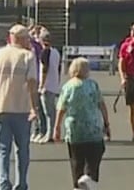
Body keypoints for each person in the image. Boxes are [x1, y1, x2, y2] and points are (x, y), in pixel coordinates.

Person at [0, 24, 39, 190]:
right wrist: (34, 107)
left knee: (2, 148)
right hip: (22, 109)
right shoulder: (27, 56)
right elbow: (31, 82)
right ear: (23, 39)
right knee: (22, 149)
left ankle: (4, 183)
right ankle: (21, 183)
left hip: (1, 107)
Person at [54, 57, 110, 189]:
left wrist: (56, 127)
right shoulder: (92, 85)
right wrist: (106, 123)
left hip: (74, 128)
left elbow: (61, 108)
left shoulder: (68, 86)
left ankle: (77, 184)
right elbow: (101, 104)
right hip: (93, 127)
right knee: (96, 152)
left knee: (76, 159)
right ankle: (89, 177)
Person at [34, 30, 62, 143]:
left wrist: (41, 85)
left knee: (48, 112)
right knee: (51, 111)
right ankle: (50, 133)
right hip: (54, 84)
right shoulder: (56, 52)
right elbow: (58, 69)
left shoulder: (44, 52)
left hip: (46, 85)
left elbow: (45, 69)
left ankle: (49, 135)